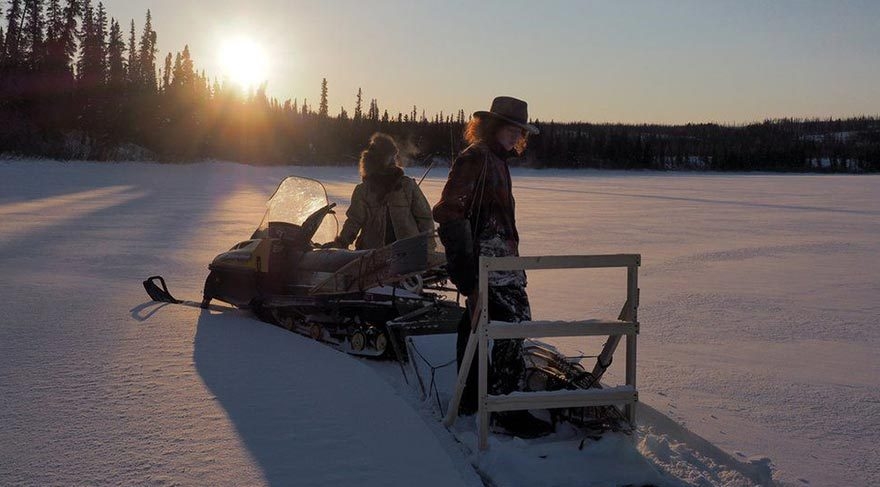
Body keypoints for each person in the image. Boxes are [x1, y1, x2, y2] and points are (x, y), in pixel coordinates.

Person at [432, 96, 552, 437]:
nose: (516, 137)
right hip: (488, 264)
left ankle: (471, 397)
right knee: (511, 324)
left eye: (520, 131)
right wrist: (468, 278)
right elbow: (449, 214)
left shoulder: (497, 162)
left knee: (479, 323)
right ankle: (505, 408)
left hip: (502, 262)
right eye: (511, 129)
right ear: (493, 126)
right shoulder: (476, 159)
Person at [329, 133, 434, 250]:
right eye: (389, 158)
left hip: (407, 253)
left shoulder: (407, 185)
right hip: (372, 254)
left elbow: (424, 217)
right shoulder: (363, 190)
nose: (393, 161)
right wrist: (342, 242)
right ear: (378, 160)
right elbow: (354, 220)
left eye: (393, 158)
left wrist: (428, 246)